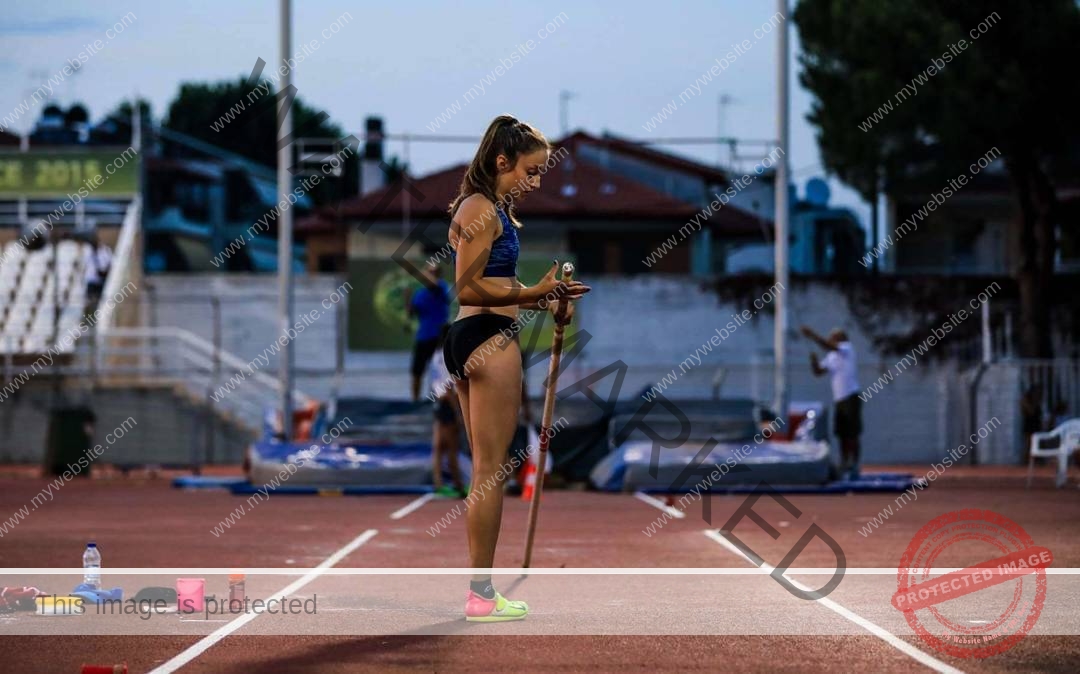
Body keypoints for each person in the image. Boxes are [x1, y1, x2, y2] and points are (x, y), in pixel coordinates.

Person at [443, 115, 589, 622]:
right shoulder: (481, 207)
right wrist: (533, 293)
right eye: (531, 169)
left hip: (470, 338)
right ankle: (481, 595)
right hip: (486, 340)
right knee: (489, 473)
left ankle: (481, 591)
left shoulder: (486, 207)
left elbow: (493, 285)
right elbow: (467, 287)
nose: (536, 180)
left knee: (484, 471)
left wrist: (544, 299)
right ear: (501, 160)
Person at [802, 325, 862, 479]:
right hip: (840, 400)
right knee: (841, 433)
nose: (829, 339)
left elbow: (827, 345)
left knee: (852, 433)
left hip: (851, 397)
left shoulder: (846, 348)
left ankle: (854, 463)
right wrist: (814, 362)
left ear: (839, 339)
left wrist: (812, 335)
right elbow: (818, 372)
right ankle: (844, 462)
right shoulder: (831, 357)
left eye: (832, 337)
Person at [430, 325, 466, 498]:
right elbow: (450, 387)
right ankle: (458, 485)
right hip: (447, 403)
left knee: (439, 447)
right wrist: (458, 412)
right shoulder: (446, 356)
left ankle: (438, 483)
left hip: (438, 402)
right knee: (452, 447)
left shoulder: (436, 355)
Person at [407, 262, 451, 401]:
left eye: (433, 272)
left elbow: (434, 285)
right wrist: (407, 300)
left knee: (439, 372)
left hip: (439, 336)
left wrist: (415, 270)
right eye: (428, 272)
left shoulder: (443, 287)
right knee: (417, 371)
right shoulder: (420, 293)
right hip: (423, 336)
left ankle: (440, 402)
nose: (429, 275)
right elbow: (412, 313)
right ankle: (415, 402)